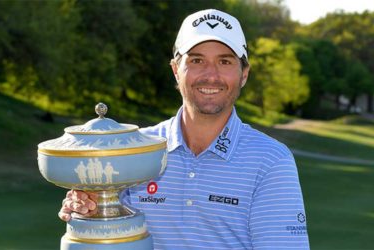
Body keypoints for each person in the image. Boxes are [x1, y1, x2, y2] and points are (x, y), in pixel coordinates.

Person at [60, 9, 310, 249]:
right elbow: (109, 233)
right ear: (175, 70)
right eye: (197, 60)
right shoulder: (134, 150)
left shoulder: (271, 160)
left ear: (244, 74)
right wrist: (87, 210)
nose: (211, 75)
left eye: (224, 61)